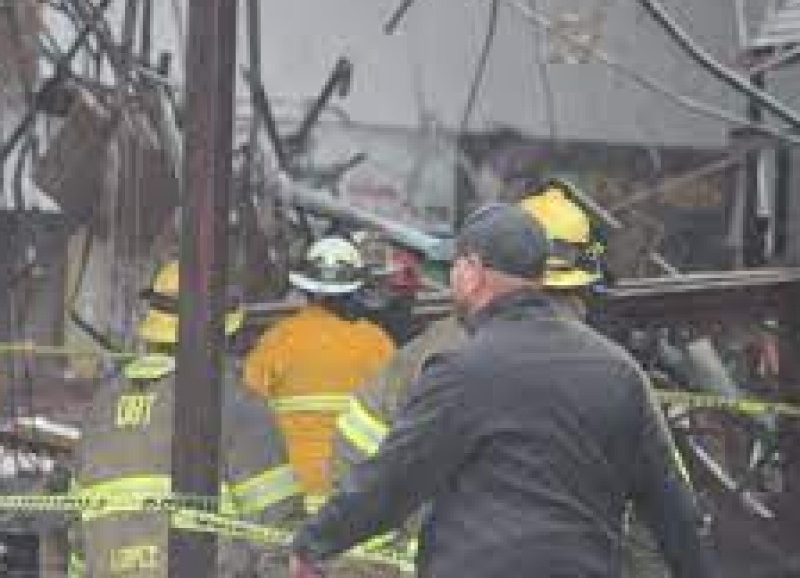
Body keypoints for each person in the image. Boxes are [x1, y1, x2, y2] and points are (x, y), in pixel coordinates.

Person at [290, 204, 714, 577]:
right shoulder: (618, 371)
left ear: (473, 272)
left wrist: (314, 543)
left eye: (454, 266)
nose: (451, 277)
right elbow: (672, 509)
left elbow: (393, 482)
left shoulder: (461, 370)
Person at [70, 261, 303, 577]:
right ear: (226, 331)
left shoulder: (101, 407)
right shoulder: (230, 401)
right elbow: (278, 530)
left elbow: (77, 538)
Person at [245, 236, 395, 509]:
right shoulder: (378, 344)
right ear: (356, 289)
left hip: (292, 497)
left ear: (306, 288)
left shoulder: (276, 341)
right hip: (354, 499)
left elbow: (247, 417)